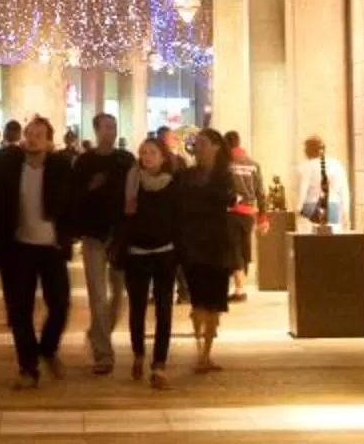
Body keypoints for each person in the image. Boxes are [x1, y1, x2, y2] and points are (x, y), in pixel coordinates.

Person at [0, 116, 75, 388]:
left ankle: (48, 348)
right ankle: (28, 367)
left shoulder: (60, 167)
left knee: (60, 304)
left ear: (49, 140)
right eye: (30, 133)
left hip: (51, 248)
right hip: (18, 248)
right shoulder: (7, 167)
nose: (34, 138)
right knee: (20, 310)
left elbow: (73, 203)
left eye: (40, 134)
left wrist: (66, 236)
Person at [69, 113, 135, 377]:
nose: (111, 131)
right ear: (96, 130)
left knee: (119, 294)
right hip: (93, 237)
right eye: (106, 127)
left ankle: (98, 332)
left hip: (119, 236)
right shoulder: (84, 162)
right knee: (97, 295)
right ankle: (104, 354)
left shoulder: (125, 159)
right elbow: (74, 197)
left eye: (114, 127)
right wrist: (90, 188)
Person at [119, 137, 183, 389]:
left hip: (165, 252)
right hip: (136, 252)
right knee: (137, 308)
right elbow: (124, 217)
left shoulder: (172, 184)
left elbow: (178, 218)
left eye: (152, 152)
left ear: (163, 157)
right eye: (143, 152)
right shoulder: (132, 180)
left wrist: (179, 251)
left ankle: (159, 364)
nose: (146, 157)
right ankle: (138, 353)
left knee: (164, 309)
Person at [175, 130, 239, 375]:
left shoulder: (224, 176)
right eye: (197, 143)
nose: (198, 147)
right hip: (192, 243)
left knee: (214, 301)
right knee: (198, 300)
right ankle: (200, 348)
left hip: (217, 244)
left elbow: (229, 200)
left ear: (215, 147)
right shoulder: (187, 175)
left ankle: (206, 352)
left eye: (203, 143)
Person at [226, 131, 264, 301]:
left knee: (234, 249)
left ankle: (240, 288)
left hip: (231, 212)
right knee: (244, 247)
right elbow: (260, 191)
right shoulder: (253, 164)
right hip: (249, 213)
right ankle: (241, 284)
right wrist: (263, 217)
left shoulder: (226, 164)